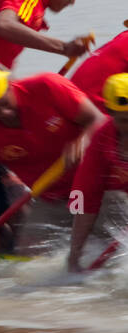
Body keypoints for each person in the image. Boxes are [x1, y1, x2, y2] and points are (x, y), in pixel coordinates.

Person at [0, 65, 102, 262]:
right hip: (52, 198)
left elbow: (97, 120)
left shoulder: (47, 86)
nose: (4, 114)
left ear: (9, 86)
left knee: (109, 248)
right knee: (29, 263)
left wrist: (82, 143)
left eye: (4, 103)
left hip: (98, 185)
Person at [68, 74, 128, 270]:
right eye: (123, 121)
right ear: (110, 114)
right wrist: (74, 255)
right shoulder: (103, 137)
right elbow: (84, 196)